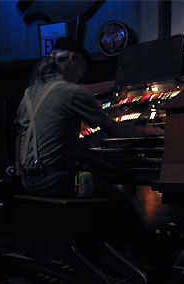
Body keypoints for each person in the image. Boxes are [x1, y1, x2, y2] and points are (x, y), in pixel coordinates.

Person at [17, 37, 162, 197]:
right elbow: (116, 131)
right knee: (118, 202)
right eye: (82, 69)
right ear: (73, 59)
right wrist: (150, 130)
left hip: (28, 180)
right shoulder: (71, 92)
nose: (81, 76)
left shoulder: (29, 94)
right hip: (54, 181)